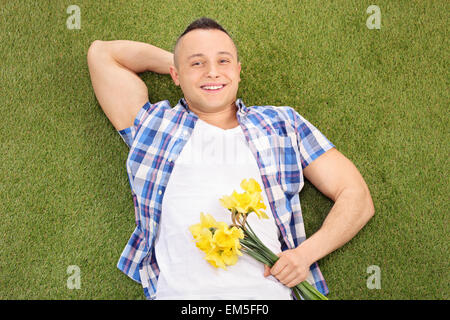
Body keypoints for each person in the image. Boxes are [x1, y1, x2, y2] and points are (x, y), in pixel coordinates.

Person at [87, 17, 375, 300]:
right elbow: (102, 54)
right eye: (198, 63)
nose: (212, 72)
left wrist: (303, 256)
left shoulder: (281, 123)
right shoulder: (154, 124)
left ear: (238, 71)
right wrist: (181, 62)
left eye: (223, 61)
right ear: (175, 75)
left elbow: (356, 196)